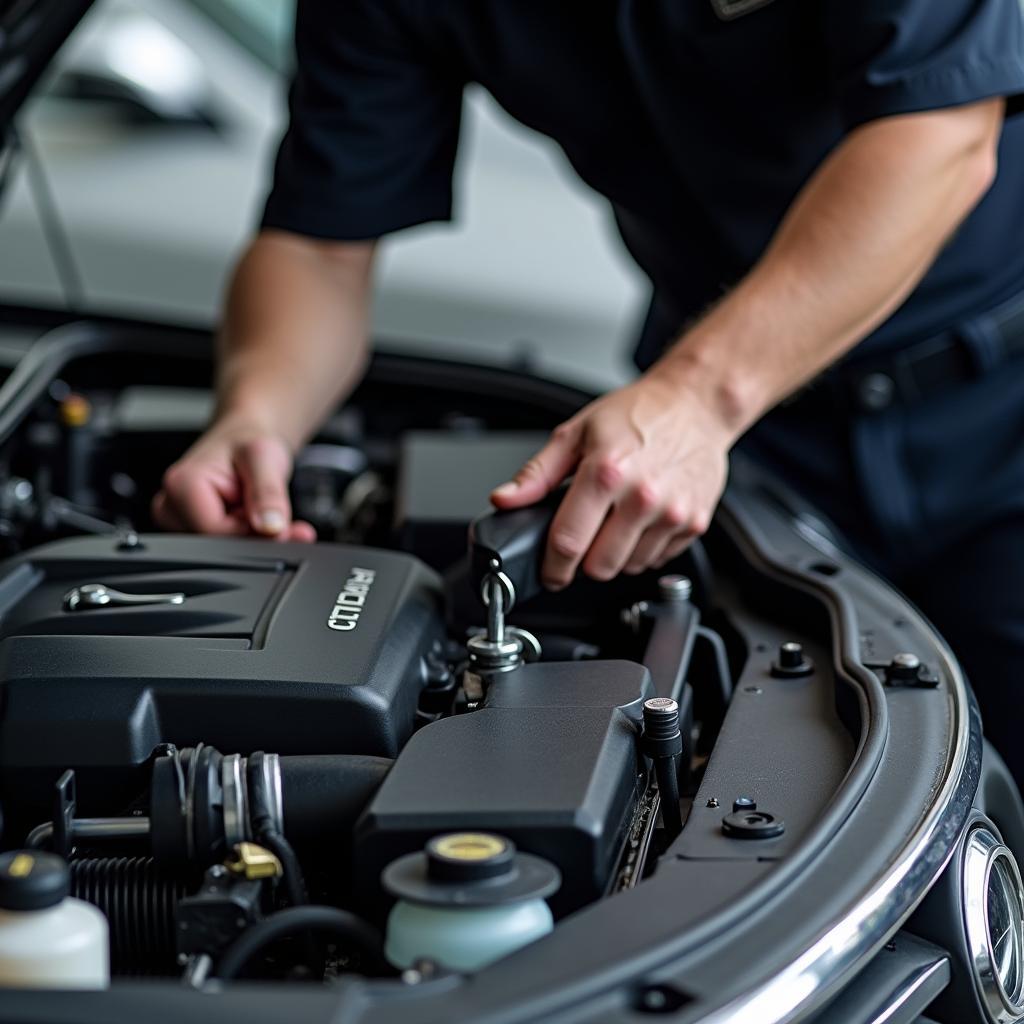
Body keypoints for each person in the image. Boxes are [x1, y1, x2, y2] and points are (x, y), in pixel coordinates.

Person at [154, 3, 1024, 777]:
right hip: (755, 449)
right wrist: (259, 412)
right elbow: (318, 244)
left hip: (996, 409)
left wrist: (696, 396)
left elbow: (939, 136)